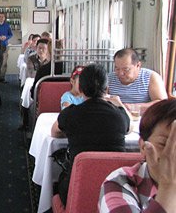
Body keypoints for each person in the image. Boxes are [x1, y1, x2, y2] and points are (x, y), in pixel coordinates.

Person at [51, 64, 130, 206]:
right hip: (116, 188)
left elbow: (55, 132)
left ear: (80, 89)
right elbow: (130, 128)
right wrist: (120, 104)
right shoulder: (119, 115)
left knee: (60, 179)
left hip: (77, 185)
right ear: (106, 89)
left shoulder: (71, 114)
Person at [98, 99, 176, 213]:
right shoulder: (120, 182)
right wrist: (168, 187)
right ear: (143, 146)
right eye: (164, 144)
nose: (172, 154)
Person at [108, 48, 167, 113]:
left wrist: (132, 107)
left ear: (138, 65)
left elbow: (162, 104)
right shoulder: (109, 78)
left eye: (126, 69)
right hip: (116, 118)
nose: (120, 73)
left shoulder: (151, 77)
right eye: (117, 69)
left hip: (142, 119)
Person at [0, 12, 13, 83]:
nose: (1, 18)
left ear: (4, 18)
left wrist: (6, 37)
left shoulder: (7, 26)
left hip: (5, 46)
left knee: (4, 63)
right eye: (0, 17)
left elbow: (11, 35)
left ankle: (2, 77)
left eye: (3, 17)